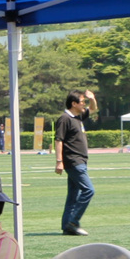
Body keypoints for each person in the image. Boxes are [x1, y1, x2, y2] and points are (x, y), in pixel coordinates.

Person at [56, 89, 95, 236]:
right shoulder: (65, 118)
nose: (84, 104)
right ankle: (73, 222)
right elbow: (59, 140)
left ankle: (67, 226)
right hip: (73, 161)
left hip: (80, 160)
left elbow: (93, 109)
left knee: (73, 195)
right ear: (74, 103)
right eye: (82, 102)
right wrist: (59, 161)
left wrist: (92, 98)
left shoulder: (78, 117)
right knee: (89, 190)